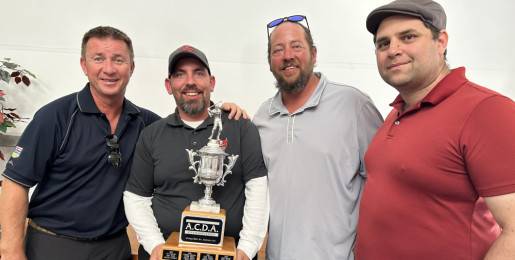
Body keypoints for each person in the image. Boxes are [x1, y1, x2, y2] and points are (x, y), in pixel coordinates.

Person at [0, 27, 246, 260]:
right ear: (84, 66)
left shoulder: (146, 123)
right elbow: (15, 184)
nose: (109, 69)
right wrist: (11, 252)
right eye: (98, 58)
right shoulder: (55, 117)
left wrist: (219, 113)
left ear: (131, 67)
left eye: (118, 60)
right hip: (54, 245)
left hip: (114, 247)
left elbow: (189, 132)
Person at [355, 1, 515, 259]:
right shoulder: (396, 113)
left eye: (408, 37)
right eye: (383, 43)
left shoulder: (486, 110)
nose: (393, 50)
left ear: (441, 41)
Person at [253, 15, 383, 260]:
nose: (287, 55)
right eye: (277, 50)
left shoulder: (354, 106)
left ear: (313, 54)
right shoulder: (262, 118)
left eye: (296, 46)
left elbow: (383, 184)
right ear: (270, 62)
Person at [123, 44, 269, 260]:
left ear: (212, 82)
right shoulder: (152, 134)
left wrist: (246, 249)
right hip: (165, 256)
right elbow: (136, 197)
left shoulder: (240, 126)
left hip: (229, 256)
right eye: (180, 74)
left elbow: (257, 190)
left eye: (198, 73)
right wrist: (155, 245)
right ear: (169, 85)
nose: (190, 81)